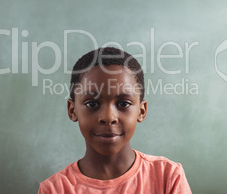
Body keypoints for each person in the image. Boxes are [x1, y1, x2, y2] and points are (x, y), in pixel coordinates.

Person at [38, 47, 192, 193]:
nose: (108, 117)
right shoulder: (55, 189)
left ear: (141, 110)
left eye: (123, 104)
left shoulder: (168, 177)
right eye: (92, 104)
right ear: (72, 110)